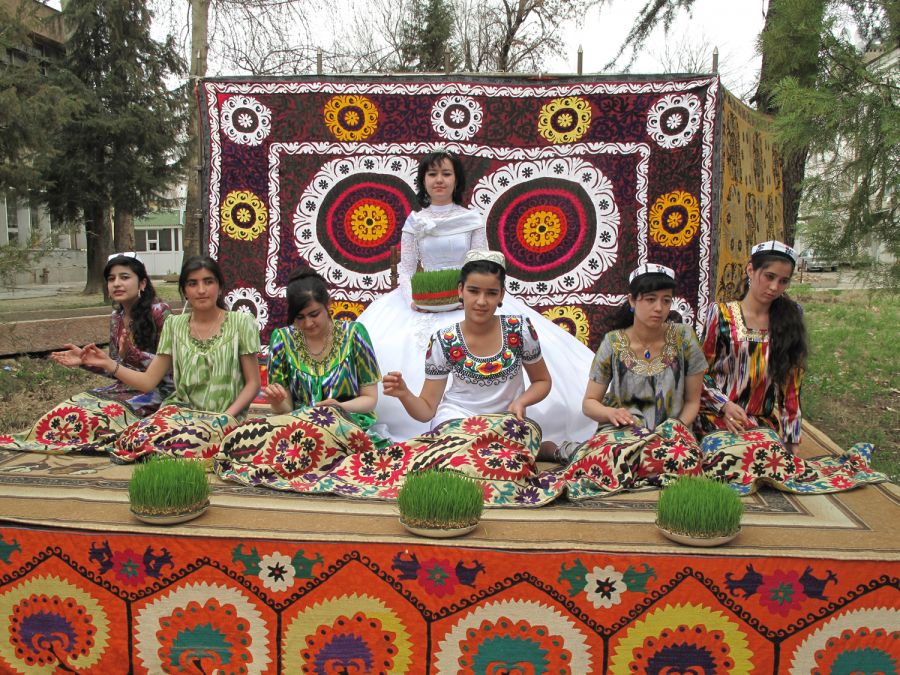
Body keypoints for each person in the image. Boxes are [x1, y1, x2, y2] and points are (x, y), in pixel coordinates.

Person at [357, 150, 595, 445]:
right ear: (423, 180)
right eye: (432, 174)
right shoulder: (415, 221)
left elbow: (481, 263)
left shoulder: (471, 218)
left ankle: (528, 431)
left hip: (467, 299)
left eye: (446, 174)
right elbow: (405, 270)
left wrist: (468, 297)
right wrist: (414, 301)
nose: (439, 180)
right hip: (423, 301)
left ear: (456, 179)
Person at [336, 250, 564, 506]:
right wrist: (404, 393)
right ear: (460, 291)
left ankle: (541, 448)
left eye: (491, 293)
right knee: (456, 467)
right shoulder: (444, 340)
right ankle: (536, 451)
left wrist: (521, 402)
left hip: (506, 422)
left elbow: (542, 381)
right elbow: (427, 410)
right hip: (457, 421)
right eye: (473, 291)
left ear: (501, 296)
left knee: (507, 469)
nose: (481, 301)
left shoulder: (519, 329)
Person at [697, 240, 885, 494]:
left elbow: (791, 385)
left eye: (783, 281)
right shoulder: (720, 314)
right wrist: (724, 406)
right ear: (750, 270)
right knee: (730, 457)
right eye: (769, 277)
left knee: (769, 455)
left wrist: (791, 438)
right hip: (717, 418)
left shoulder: (790, 316)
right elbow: (699, 375)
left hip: (761, 422)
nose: (774, 287)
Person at [215, 267, 390, 492]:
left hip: (345, 423)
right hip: (300, 425)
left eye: (314, 314)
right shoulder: (283, 339)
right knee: (246, 440)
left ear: (328, 305)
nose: (308, 324)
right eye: (300, 317)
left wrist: (337, 407)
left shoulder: (355, 334)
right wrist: (278, 402)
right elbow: (285, 409)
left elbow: (369, 400)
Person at [81, 255, 260, 462]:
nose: (201, 290)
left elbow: (253, 383)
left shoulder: (241, 322)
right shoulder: (174, 325)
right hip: (180, 412)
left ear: (219, 287)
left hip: (224, 415)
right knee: (135, 439)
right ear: (184, 291)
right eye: (192, 284)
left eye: (208, 282)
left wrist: (226, 417)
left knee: (186, 443)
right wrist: (108, 364)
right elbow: (148, 381)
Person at [557, 264, 708, 499]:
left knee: (685, 463)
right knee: (609, 459)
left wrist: (675, 427)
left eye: (666, 300)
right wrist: (610, 413)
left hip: (671, 433)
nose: (659, 308)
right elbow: (589, 403)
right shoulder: (613, 343)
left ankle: (600, 456)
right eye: (650, 299)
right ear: (632, 300)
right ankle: (568, 450)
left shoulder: (684, 337)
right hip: (624, 433)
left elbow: (692, 402)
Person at [0, 253, 172, 454]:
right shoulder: (117, 317)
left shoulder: (160, 312)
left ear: (142, 283)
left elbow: (168, 369)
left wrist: (132, 355)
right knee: (69, 409)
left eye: (125, 277)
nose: (117, 283)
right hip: (124, 387)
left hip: (158, 392)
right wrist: (87, 361)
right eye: (111, 279)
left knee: (93, 417)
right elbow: (115, 366)